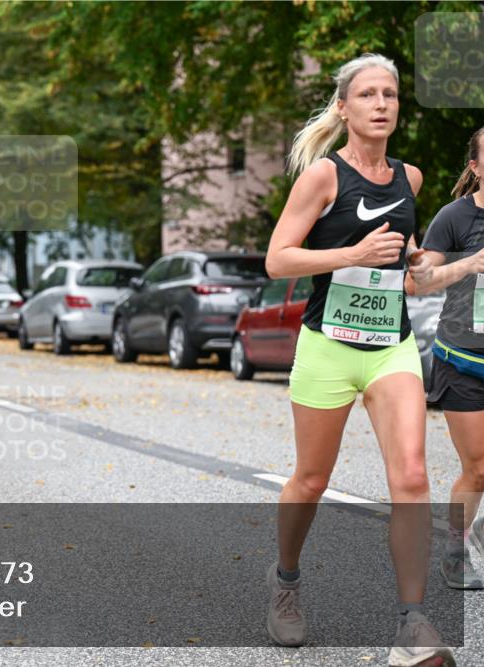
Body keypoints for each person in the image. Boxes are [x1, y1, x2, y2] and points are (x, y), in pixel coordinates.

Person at [264, 53, 454, 666]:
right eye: (368, 94)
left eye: (390, 95)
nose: (381, 104)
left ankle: (413, 622)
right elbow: (279, 260)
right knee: (311, 480)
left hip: (390, 346)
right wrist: (353, 253)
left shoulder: (412, 179)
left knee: (413, 477)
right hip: (328, 346)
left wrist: (418, 264)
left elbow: (406, 260)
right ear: (344, 108)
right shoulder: (322, 176)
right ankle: (286, 581)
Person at [407, 126, 484, 590]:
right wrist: (468, 264)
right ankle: (455, 547)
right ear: (475, 166)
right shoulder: (455, 218)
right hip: (464, 358)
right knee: (478, 467)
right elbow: (419, 282)